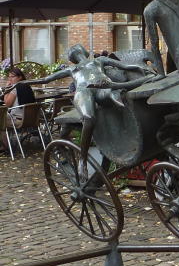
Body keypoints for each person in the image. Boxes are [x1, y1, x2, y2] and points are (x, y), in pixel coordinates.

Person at [21, 44, 155, 181]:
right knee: (89, 118)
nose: (79, 54)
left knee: (112, 93)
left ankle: (119, 106)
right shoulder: (72, 69)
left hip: (101, 86)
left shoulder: (99, 60)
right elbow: (45, 80)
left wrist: (142, 68)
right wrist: (23, 82)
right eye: (76, 53)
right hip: (83, 91)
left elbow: (125, 66)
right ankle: (82, 161)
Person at [1, 67, 35, 150]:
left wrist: (6, 89)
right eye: (9, 77)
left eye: (12, 77)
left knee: (0, 120)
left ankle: (5, 146)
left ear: (20, 77)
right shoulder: (28, 87)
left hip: (18, 120)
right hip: (31, 119)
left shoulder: (15, 88)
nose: (10, 79)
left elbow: (8, 103)